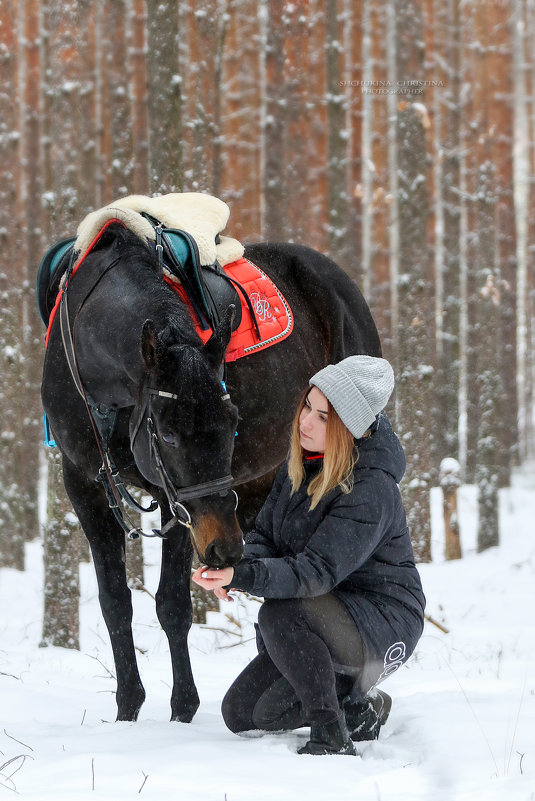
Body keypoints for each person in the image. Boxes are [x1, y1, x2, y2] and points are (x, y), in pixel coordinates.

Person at [192, 355, 425, 756]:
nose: (306, 421)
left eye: (323, 417)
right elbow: (266, 533)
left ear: (348, 428)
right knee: (243, 713)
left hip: (383, 618)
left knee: (281, 614)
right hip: (326, 611)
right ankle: (356, 709)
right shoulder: (303, 460)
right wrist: (236, 567)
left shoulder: (372, 487)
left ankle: (331, 733)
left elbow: (315, 572)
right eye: (307, 406)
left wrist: (245, 578)